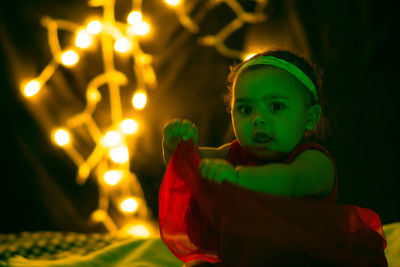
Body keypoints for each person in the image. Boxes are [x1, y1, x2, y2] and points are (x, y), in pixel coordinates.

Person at [159, 50, 388, 266]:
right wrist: (177, 147)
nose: (257, 119)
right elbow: (190, 165)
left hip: (304, 255)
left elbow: (290, 181)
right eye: (246, 109)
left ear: (310, 117)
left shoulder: (313, 162)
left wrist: (238, 178)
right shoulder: (234, 154)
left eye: (276, 106)